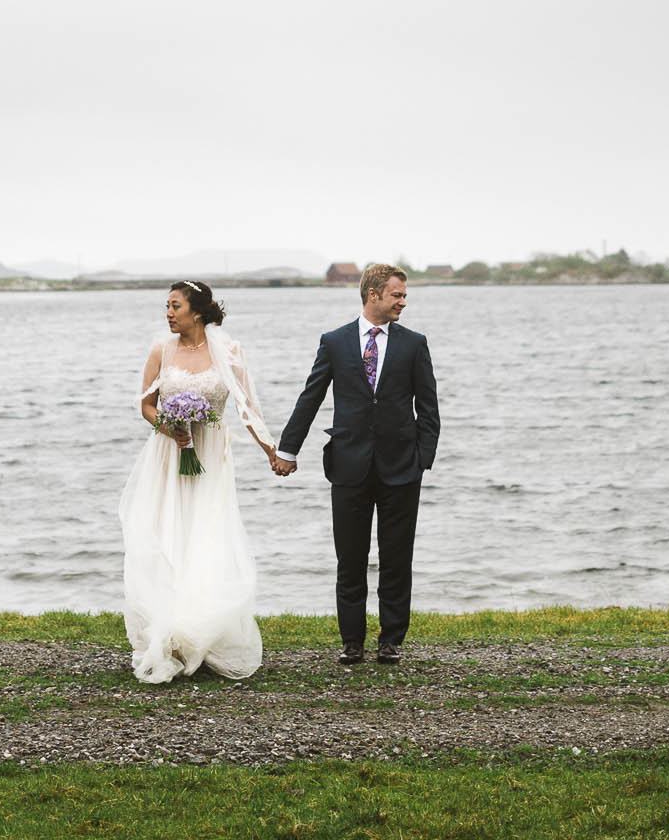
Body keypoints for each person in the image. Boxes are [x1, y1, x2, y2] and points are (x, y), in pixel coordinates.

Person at [274, 262, 440, 664]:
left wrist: (423, 460)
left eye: (404, 295)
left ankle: (391, 640)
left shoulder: (414, 343)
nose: (404, 301)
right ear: (374, 295)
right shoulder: (334, 342)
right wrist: (287, 450)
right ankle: (352, 641)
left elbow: (428, 407)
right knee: (349, 558)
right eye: (397, 294)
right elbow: (310, 397)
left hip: (402, 468)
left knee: (397, 558)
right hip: (348, 466)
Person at [118, 278, 283, 682]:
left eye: (175, 306)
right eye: (167, 306)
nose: (168, 313)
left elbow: (247, 409)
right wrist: (169, 426)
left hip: (209, 455)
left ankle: (204, 633)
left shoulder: (229, 352)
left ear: (197, 310)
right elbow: (145, 405)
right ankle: (167, 632)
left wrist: (273, 452)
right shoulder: (162, 349)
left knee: (205, 536)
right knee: (166, 536)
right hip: (167, 455)